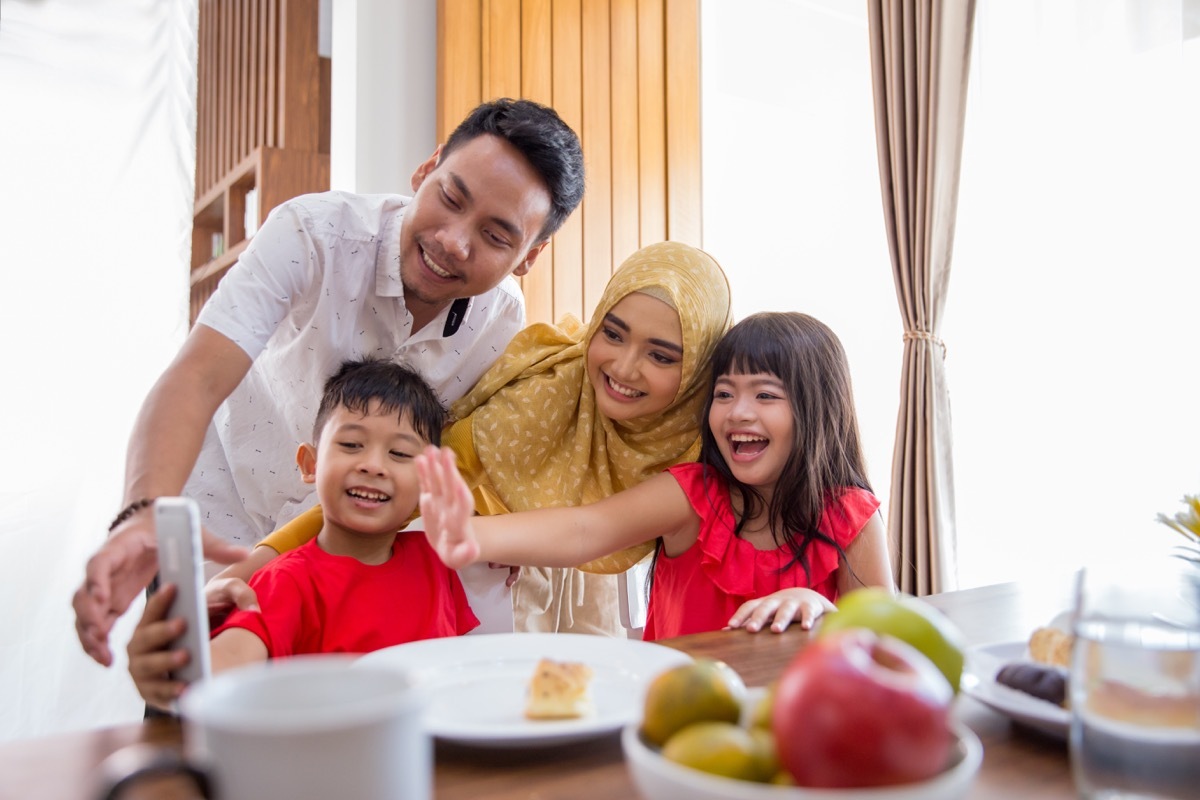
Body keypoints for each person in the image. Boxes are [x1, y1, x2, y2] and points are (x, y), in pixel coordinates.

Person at [74, 98, 585, 666]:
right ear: (427, 168)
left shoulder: (504, 325)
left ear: (529, 256)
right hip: (223, 526)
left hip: (344, 562)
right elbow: (195, 377)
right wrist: (143, 512)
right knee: (190, 707)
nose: (452, 241)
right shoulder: (312, 233)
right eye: (450, 197)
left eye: (495, 236)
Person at [222, 241, 734, 637]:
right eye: (613, 333)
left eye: (663, 355)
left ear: (700, 368)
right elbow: (398, 485)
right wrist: (257, 564)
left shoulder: (702, 438)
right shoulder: (538, 400)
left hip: (587, 602)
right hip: (480, 582)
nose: (624, 367)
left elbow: (597, 535)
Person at [415, 312, 895, 640]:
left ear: (816, 410)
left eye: (765, 396)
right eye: (724, 394)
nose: (737, 413)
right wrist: (468, 533)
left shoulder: (850, 516)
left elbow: (885, 646)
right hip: (672, 727)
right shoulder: (695, 495)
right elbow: (587, 528)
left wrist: (823, 612)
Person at [127, 359, 478, 711]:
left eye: (399, 453)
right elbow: (224, 664)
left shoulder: (435, 561)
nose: (373, 465)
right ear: (310, 465)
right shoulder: (285, 581)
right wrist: (170, 664)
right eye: (352, 445)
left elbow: (460, 674)